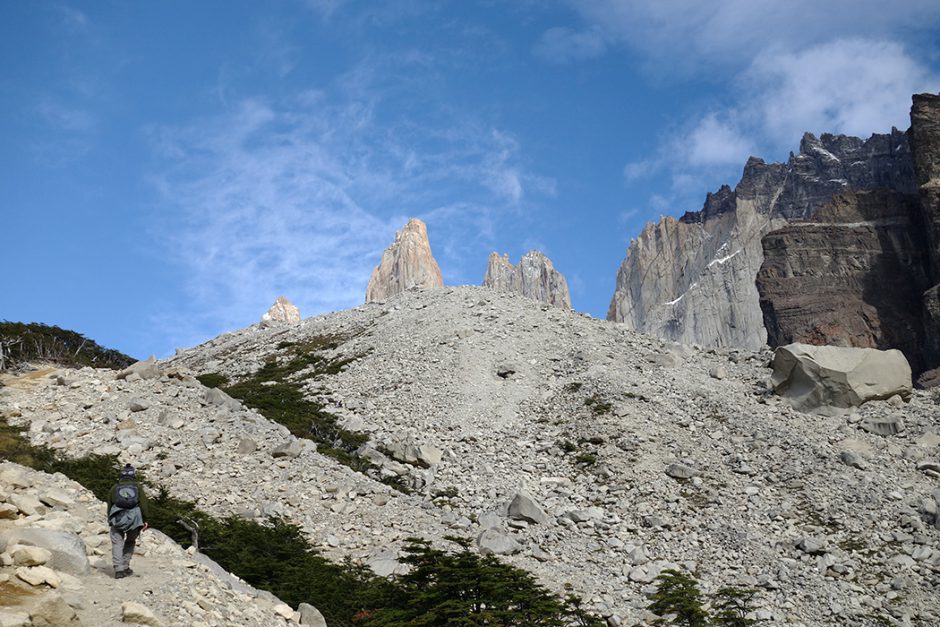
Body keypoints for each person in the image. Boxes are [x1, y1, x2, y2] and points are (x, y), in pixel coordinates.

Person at [107, 463, 150, 579]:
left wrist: (109, 519)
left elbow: (110, 504)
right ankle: (125, 566)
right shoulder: (137, 488)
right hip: (134, 520)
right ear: (133, 475)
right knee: (130, 541)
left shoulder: (115, 487)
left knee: (117, 543)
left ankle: (118, 570)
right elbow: (144, 505)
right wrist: (145, 519)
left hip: (117, 518)